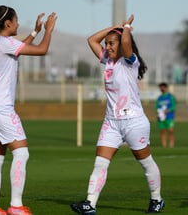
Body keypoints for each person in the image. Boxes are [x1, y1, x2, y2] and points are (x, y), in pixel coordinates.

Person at [70, 15, 165, 214]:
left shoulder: (130, 62)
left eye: (112, 44)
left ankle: (157, 199)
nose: (108, 47)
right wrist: (114, 27)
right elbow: (91, 40)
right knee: (100, 163)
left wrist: (126, 28)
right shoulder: (108, 61)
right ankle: (90, 204)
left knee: (145, 162)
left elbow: (125, 41)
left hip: (134, 122)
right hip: (111, 122)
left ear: (122, 45)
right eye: (107, 44)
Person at [0, 5, 57, 215]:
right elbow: (42, 50)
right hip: (1, 107)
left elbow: (19, 48)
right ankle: (15, 205)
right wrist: (49, 30)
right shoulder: (5, 43)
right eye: (16, 21)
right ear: (7, 24)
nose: (17, 24)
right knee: (22, 154)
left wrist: (35, 31)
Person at [155, 82, 176, 148]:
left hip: (169, 116)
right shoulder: (159, 98)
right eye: (161, 87)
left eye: (163, 87)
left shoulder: (170, 97)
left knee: (171, 130)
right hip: (161, 117)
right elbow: (156, 107)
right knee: (162, 130)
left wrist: (168, 110)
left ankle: (171, 144)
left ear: (166, 88)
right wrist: (159, 112)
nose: (162, 88)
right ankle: (164, 145)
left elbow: (174, 105)